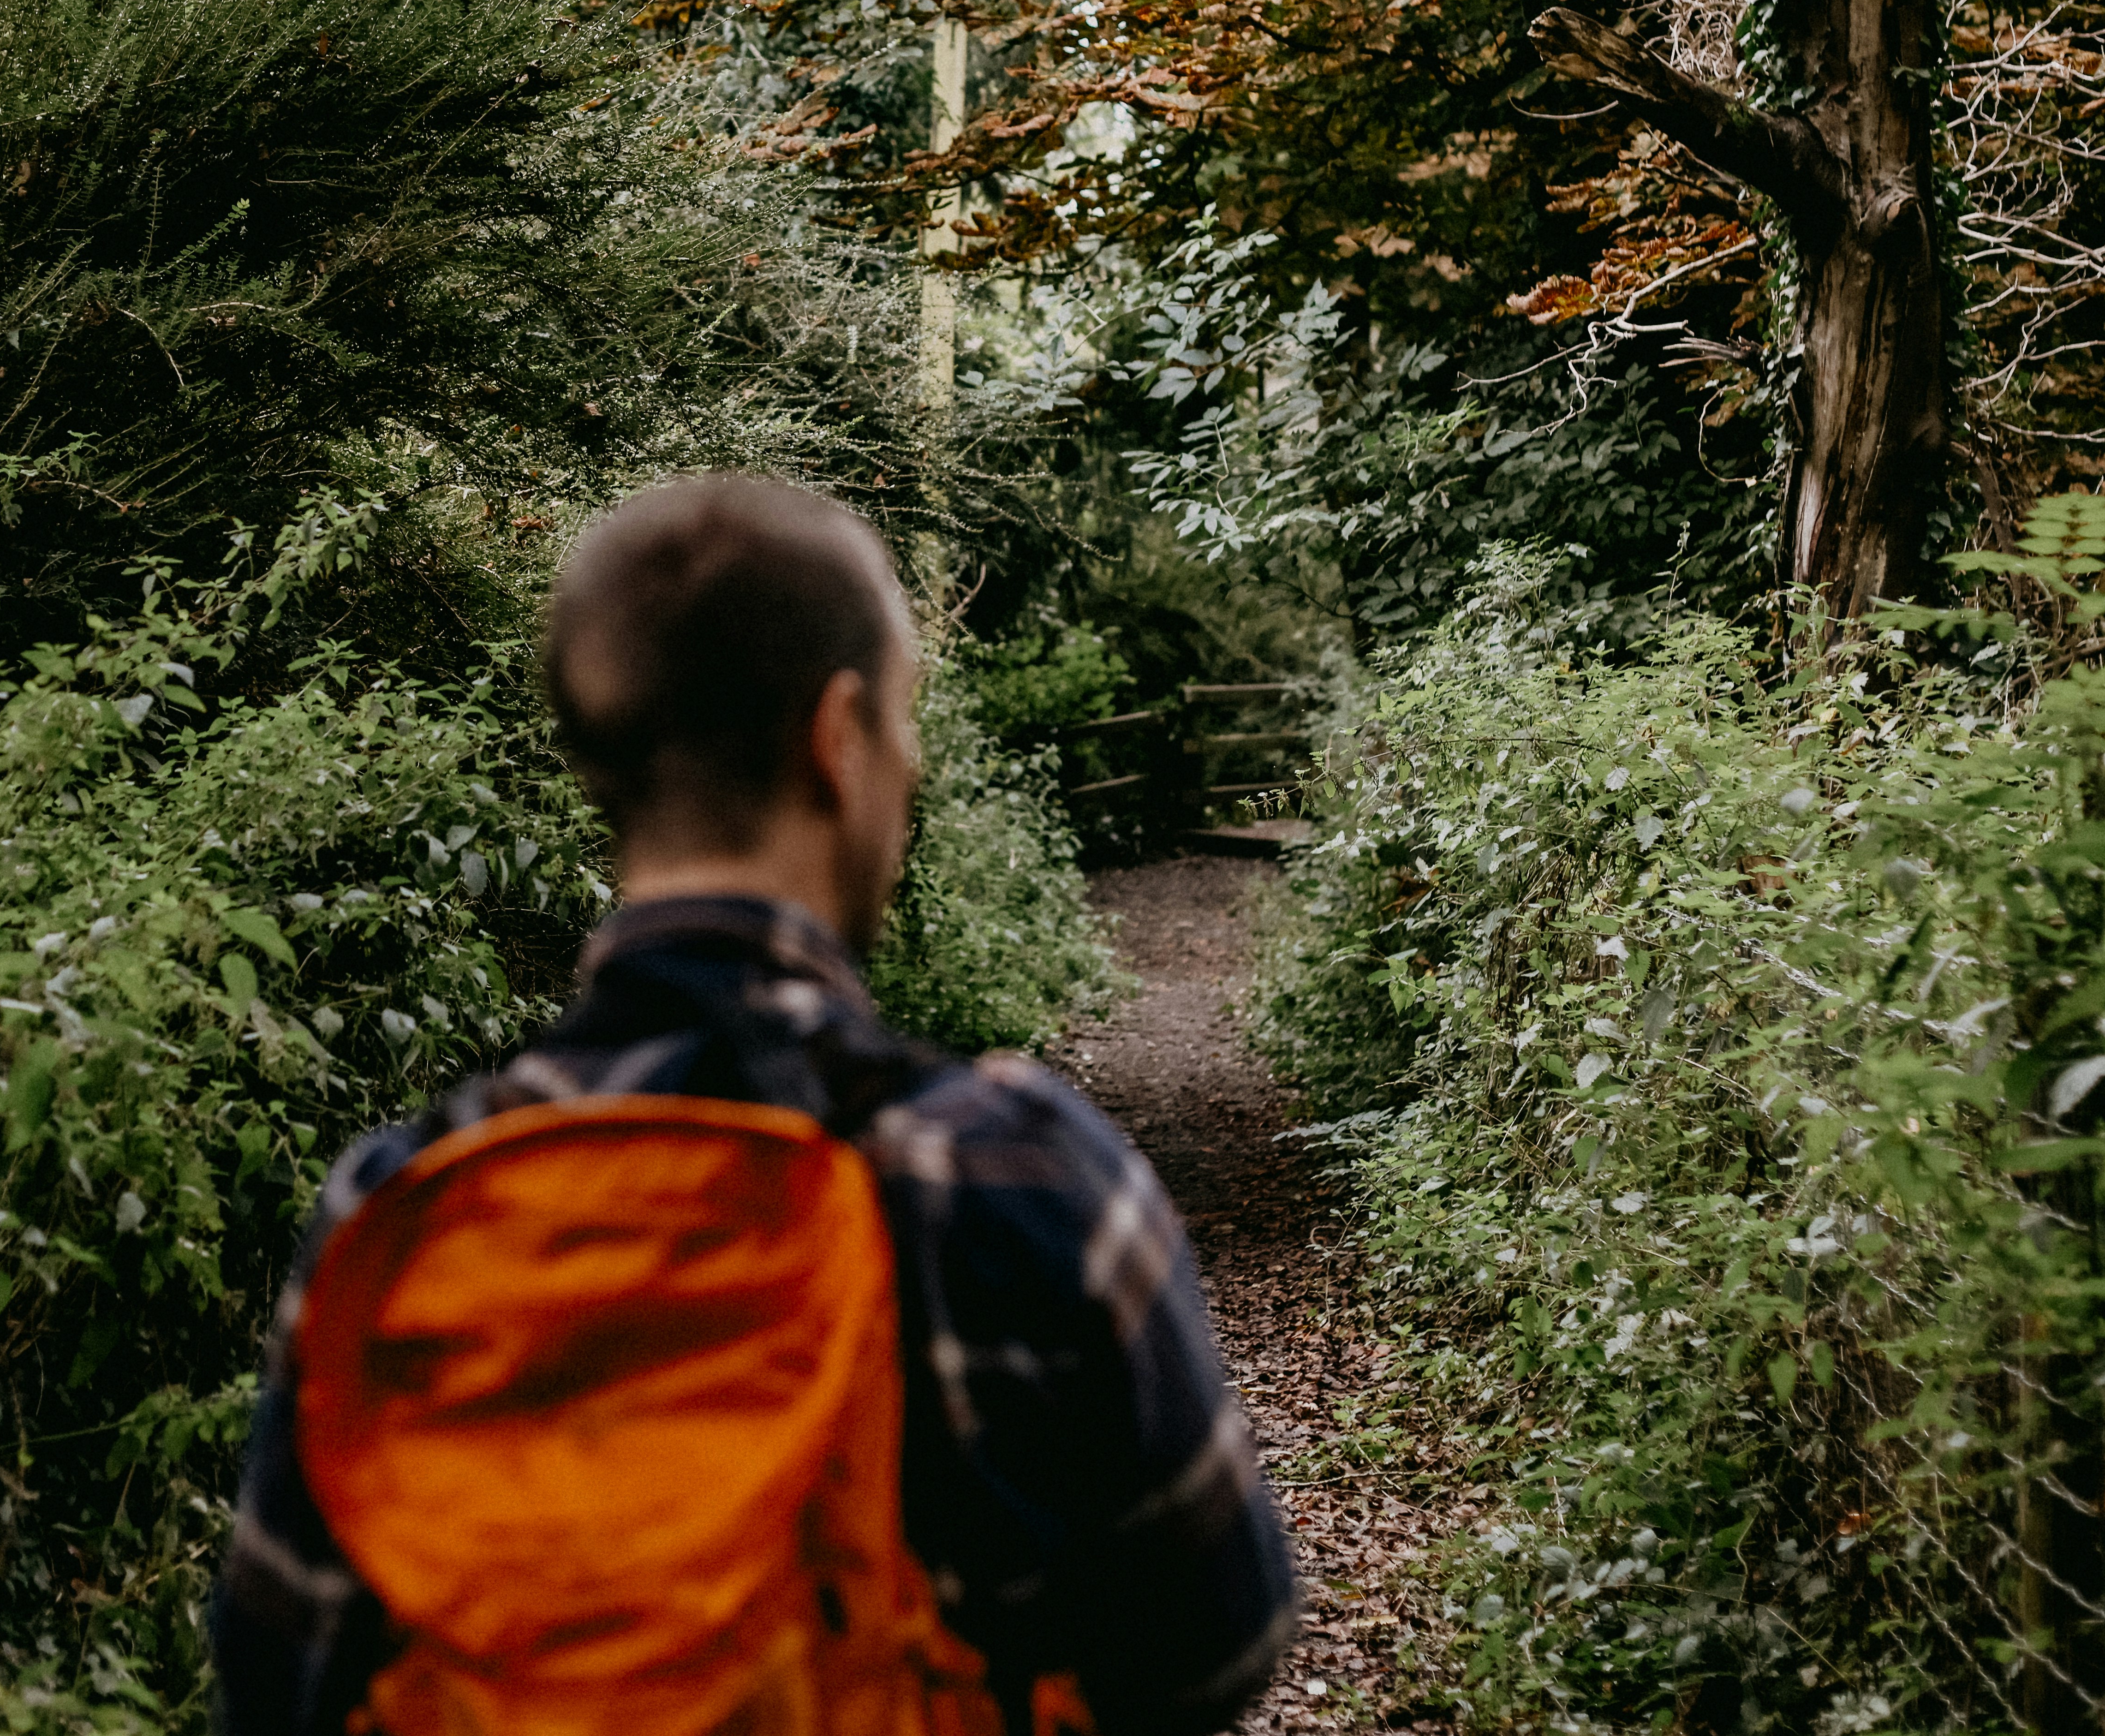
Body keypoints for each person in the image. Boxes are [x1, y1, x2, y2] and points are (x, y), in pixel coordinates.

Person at [212, 475, 1295, 1736]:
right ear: (838, 739)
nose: (916, 760)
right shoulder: (1020, 1173)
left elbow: (279, 1680)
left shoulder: (395, 1211)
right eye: (906, 719)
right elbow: (1221, 1644)